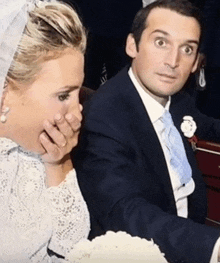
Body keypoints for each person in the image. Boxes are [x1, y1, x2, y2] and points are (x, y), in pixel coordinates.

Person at [73, 1, 220, 262]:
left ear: (196, 62)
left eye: (187, 49)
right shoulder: (103, 117)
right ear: (132, 45)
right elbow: (125, 212)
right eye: (161, 42)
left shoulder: (177, 98)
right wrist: (213, 247)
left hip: (193, 230)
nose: (173, 61)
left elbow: (208, 126)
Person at [0, 0, 90, 262]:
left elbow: (73, 249)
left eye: (78, 94)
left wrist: (57, 164)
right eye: (63, 96)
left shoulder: (40, 151)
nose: (77, 113)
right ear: (5, 93)